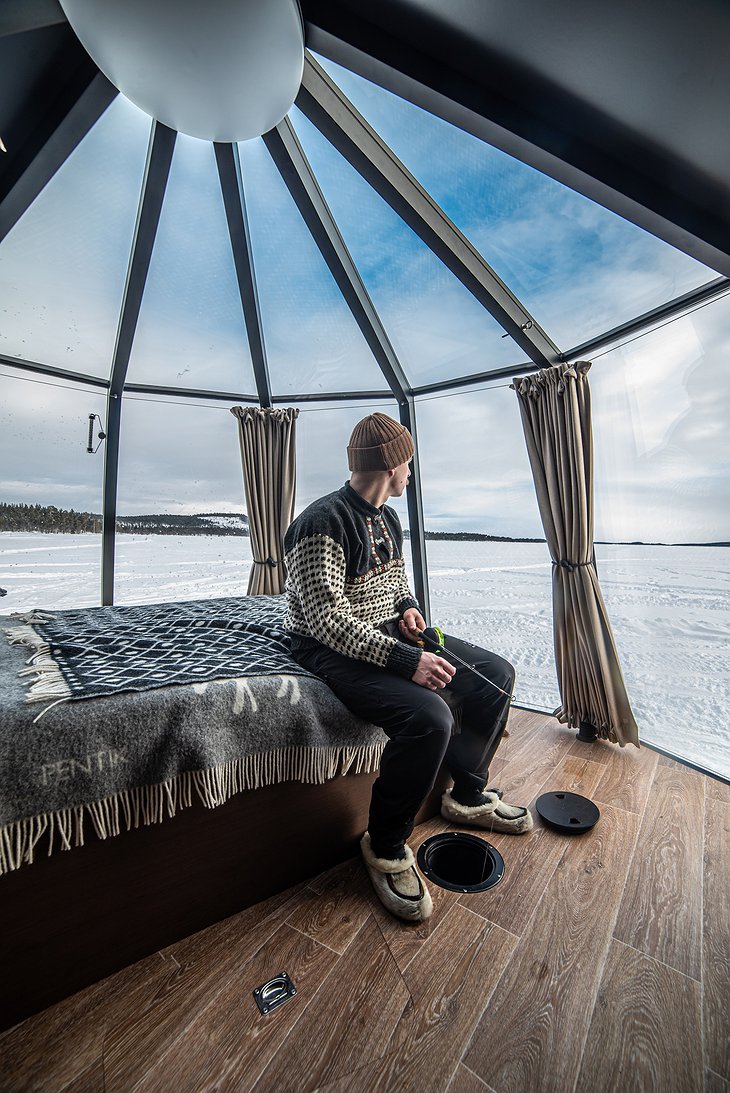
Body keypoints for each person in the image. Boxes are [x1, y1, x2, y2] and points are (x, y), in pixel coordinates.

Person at [283, 412, 532, 923]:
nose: (412, 474)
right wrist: (406, 659)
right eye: (410, 464)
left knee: (495, 676)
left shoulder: (387, 519)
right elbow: (326, 620)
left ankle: (467, 795)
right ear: (392, 465)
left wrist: (406, 610)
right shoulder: (320, 522)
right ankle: (388, 846)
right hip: (328, 648)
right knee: (429, 717)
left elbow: (393, 584)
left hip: (386, 632)